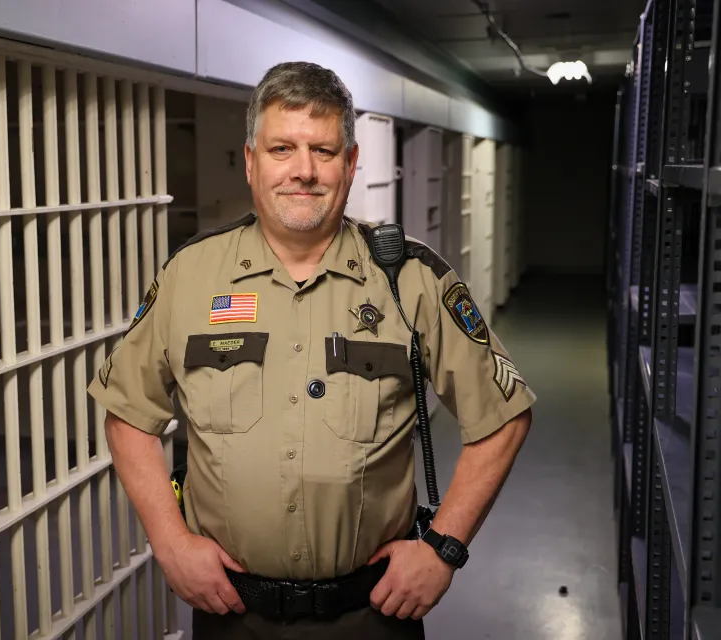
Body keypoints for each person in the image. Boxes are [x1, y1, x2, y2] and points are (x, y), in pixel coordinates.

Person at [87, 61, 535, 639]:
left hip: (370, 615)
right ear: (251, 162)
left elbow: (504, 417)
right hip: (230, 614)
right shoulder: (189, 276)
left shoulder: (411, 280)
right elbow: (128, 412)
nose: (303, 171)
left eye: (324, 151)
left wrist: (444, 548)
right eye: (282, 149)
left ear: (350, 164)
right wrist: (169, 541)